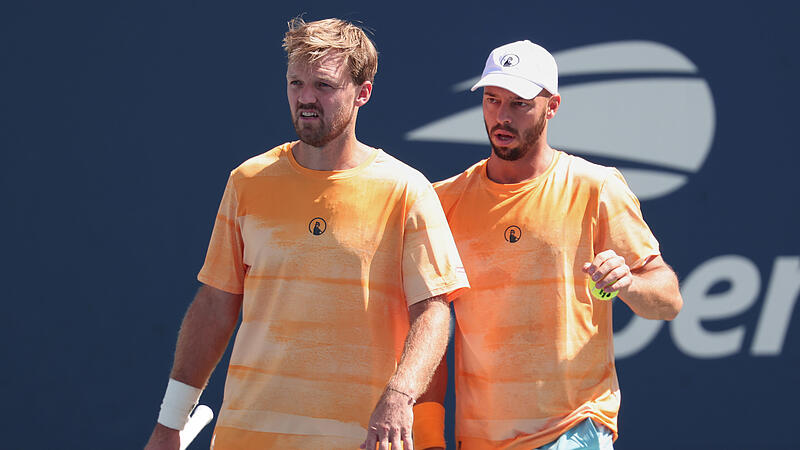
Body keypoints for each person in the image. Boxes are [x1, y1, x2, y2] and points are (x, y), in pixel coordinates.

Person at [144, 17, 469, 450]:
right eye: (295, 83)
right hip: (247, 435)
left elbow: (432, 312)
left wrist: (399, 396)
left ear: (363, 93)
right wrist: (169, 423)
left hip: (358, 439)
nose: (306, 99)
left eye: (324, 85)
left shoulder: (406, 190)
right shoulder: (248, 181)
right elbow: (214, 307)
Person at [412, 40, 683, 449]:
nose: (502, 116)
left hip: (574, 429)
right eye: (492, 100)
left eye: (520, 103)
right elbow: (426, 323)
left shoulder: (597, 187)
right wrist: (429, 437)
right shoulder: (442, 202)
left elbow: (668, 300)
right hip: (480, 438)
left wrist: (629, 283)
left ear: (552, 106)